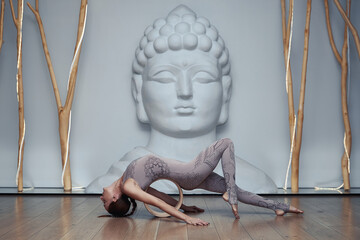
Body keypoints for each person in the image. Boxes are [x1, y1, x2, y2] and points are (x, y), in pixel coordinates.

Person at [88, 4, 278, 194]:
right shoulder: (116, 180)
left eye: (203, 77)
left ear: (225, 91)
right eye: (164, 77)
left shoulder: (255, 182)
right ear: (138, 91)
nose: (185, 91)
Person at [100, 138, 303, 226]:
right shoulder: (128, 186)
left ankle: (280, 207)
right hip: (192, 172)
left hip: (191, 176)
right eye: (105, 201)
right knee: (226, 143)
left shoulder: (127, 181)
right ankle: (230, 194)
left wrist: (186, 206)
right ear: (116, 197)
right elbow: (158, 204)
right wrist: (186, 219)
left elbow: (160, 196)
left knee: (237, 189)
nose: (102, 197)